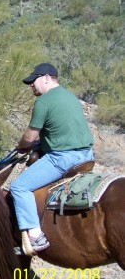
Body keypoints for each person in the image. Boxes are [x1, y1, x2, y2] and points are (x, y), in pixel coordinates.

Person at [10, 63, 94, 252]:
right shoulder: (71, 97)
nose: (31, 85)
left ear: (47, 78)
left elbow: (29, 137)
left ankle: (35, 236)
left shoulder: (44, 101)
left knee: (19, 187)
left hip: (63, 158)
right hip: (87, 155)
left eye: (34, 80)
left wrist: (22, 146)